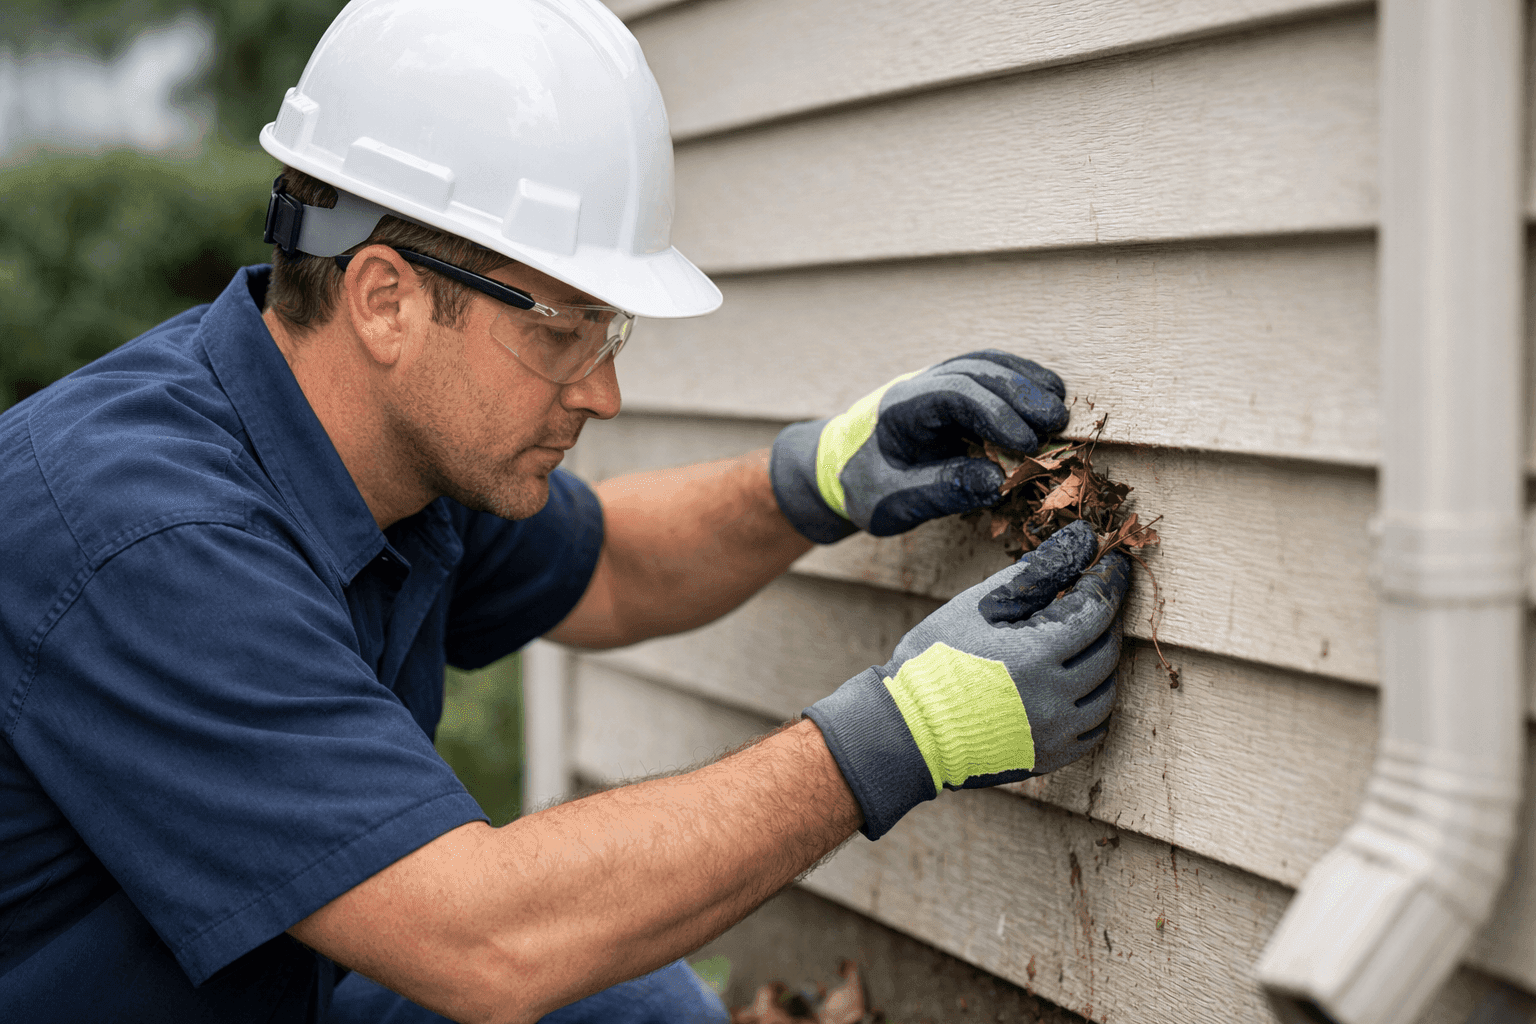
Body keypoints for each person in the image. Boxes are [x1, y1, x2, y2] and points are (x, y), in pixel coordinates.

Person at [0, 1, 1131, 1021]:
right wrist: (902, 737)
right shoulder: (150, 537)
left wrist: (819, 480)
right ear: (385, 300)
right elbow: (485, 939)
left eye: (609, 333)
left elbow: (612, 567)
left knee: (621, 1010)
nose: (603, 389)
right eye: (561, 329)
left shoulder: (370, 454)